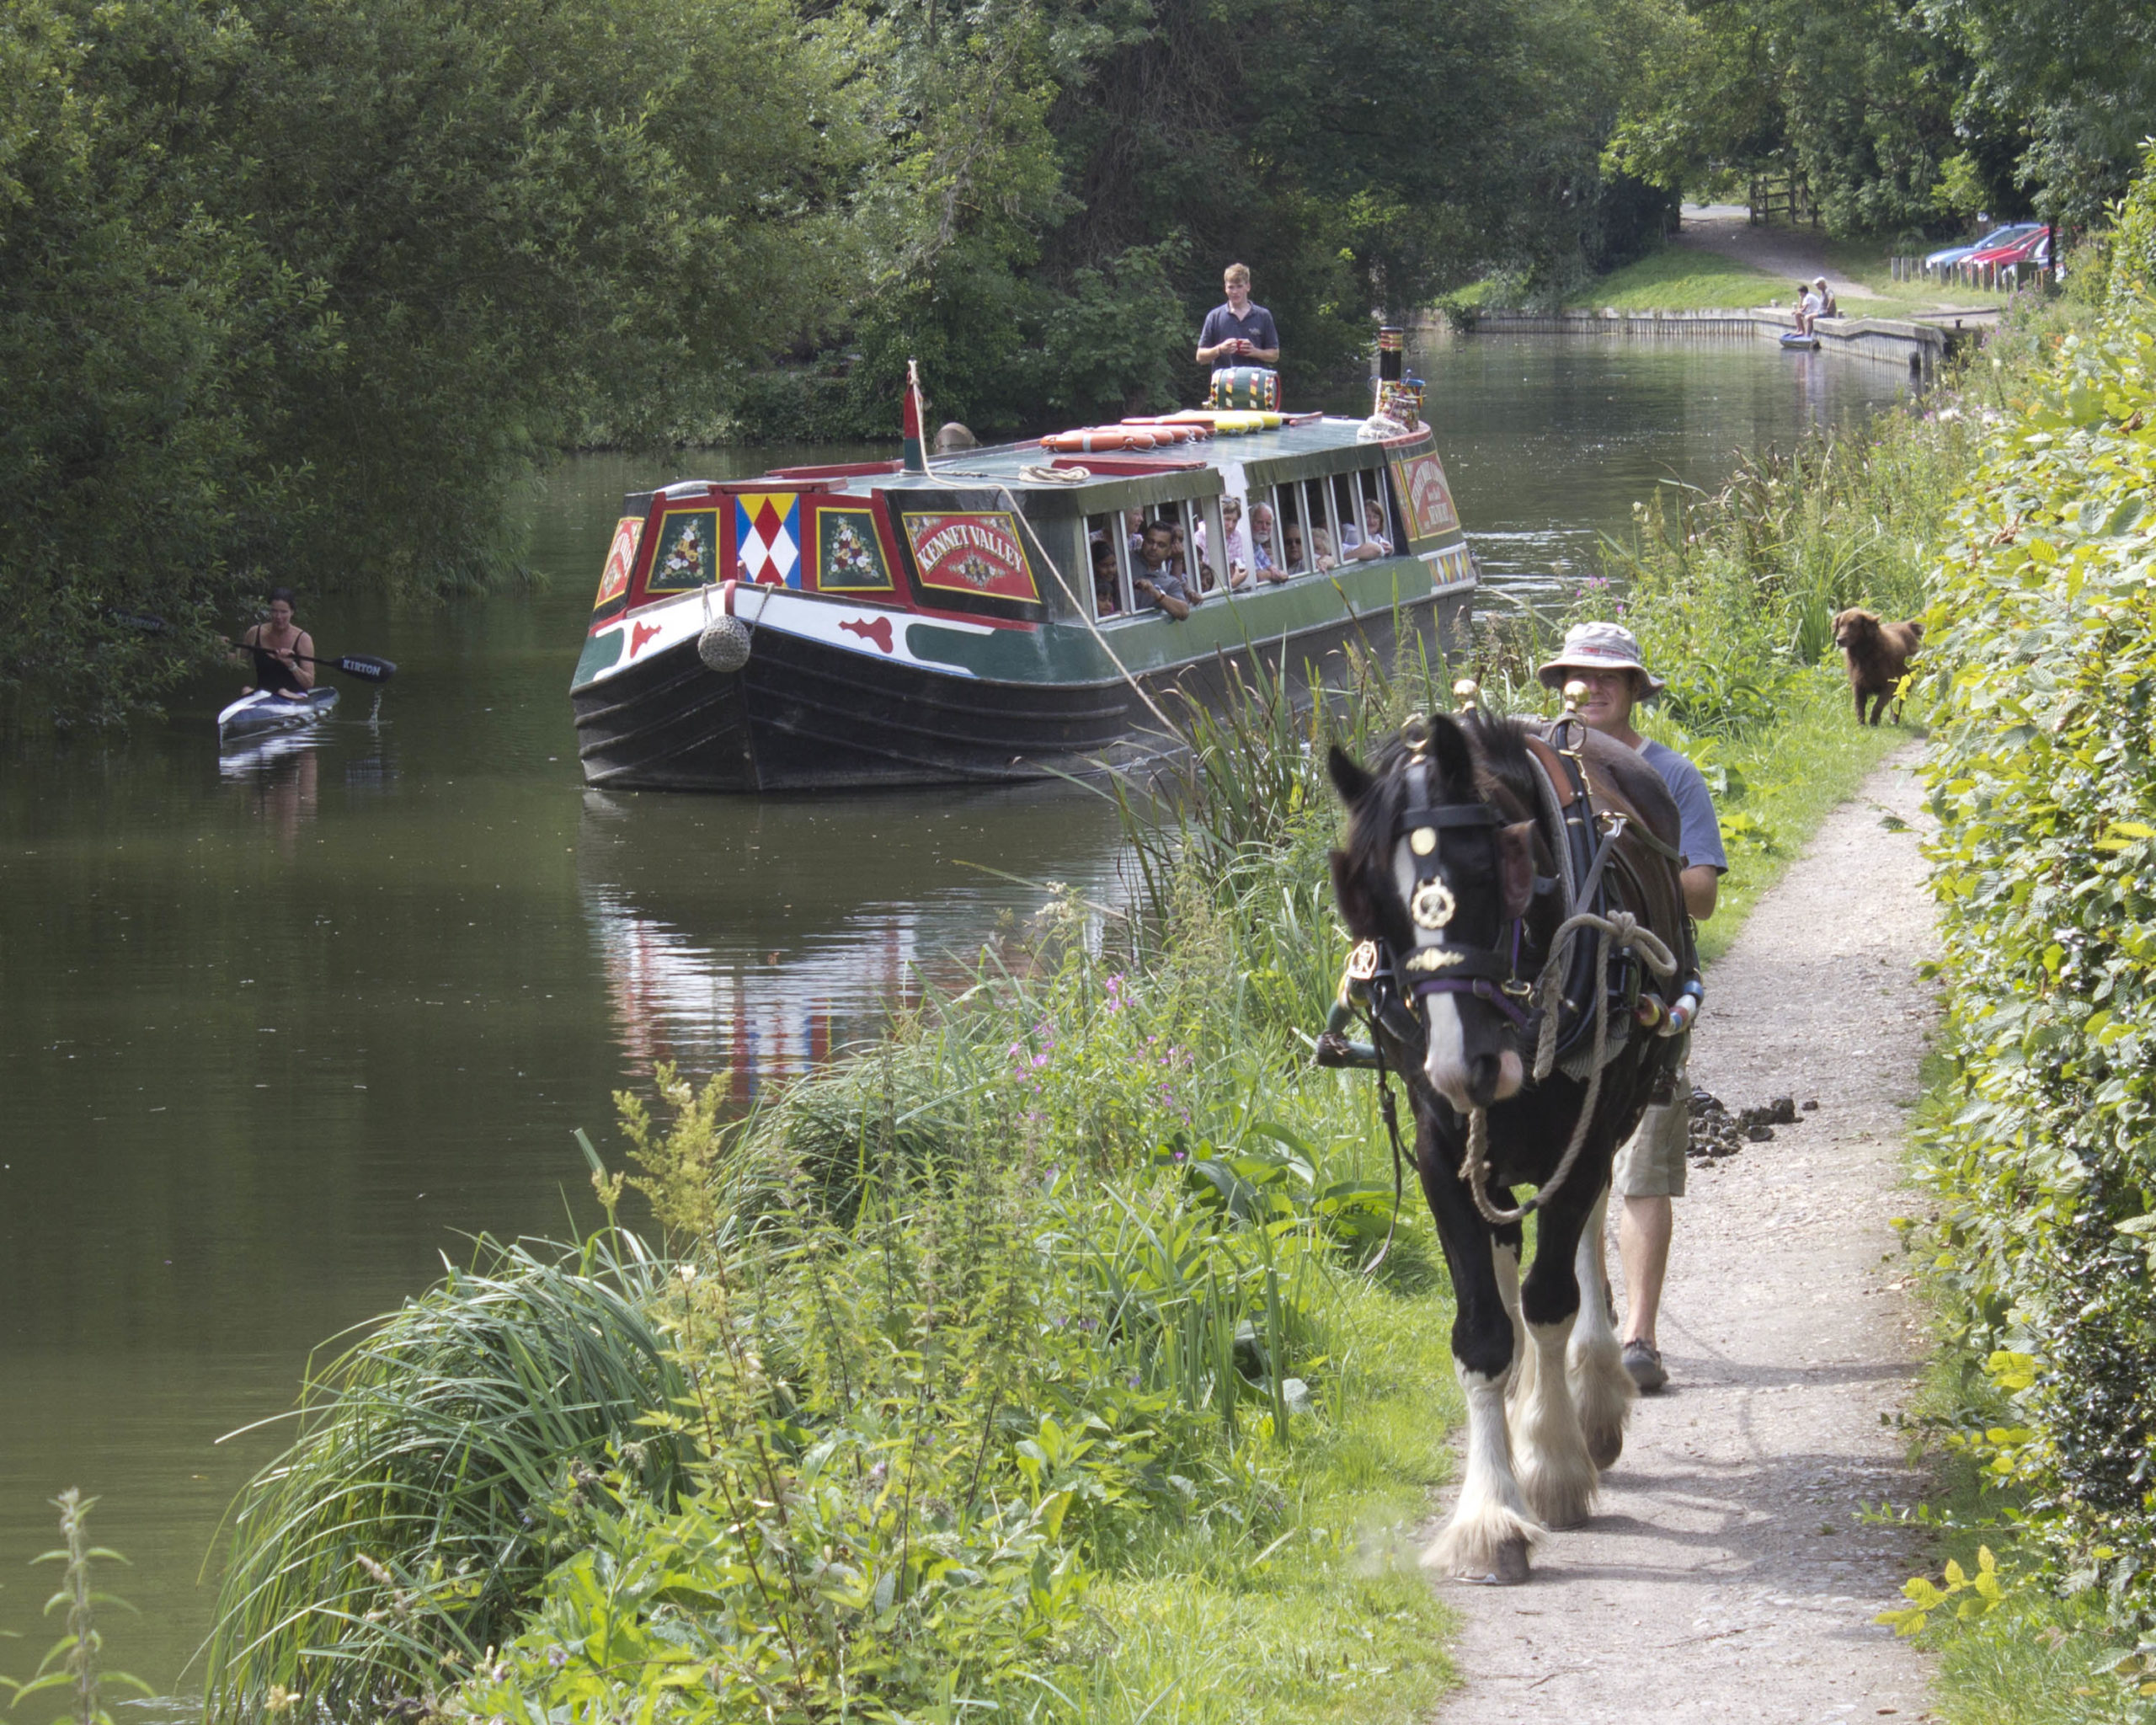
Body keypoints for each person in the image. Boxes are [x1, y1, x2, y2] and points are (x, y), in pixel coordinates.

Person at [1537, 621, 1726, 1394]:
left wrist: (1617, 871)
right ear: (1561, 688)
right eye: (1580, 673)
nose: (1594, 685)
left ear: (1635, 689)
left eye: (1611, 674)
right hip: (1562, 1008)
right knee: (1571, 1170)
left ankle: (1641, 1337)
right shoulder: (1536, 771)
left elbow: (1704, 895)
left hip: (1643, 1001)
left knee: (1644, 1166)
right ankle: (1592, 1312)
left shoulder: (1670, 776)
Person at [1195, 264, 1280, 367]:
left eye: (1239, 286)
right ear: (1225, 288)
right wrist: (1220, 349)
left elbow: (1275, 355)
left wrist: (1255, 351)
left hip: (1254, 380)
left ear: (1248, 287)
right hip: (1224, 381)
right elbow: (1200, 357)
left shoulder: (1263, 316)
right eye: (1231, 287)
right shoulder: (1214, 316)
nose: (1235, 292)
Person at [237, 589, 315, 699]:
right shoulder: (254, 633)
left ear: (292, 612)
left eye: (284, 612)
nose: (278, 617)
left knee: (283, 692)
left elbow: (309, 683)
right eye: (274, 611)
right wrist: (221, 649)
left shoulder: (303, 639)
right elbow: (237, 660)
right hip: (263, 694)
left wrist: (291, 665)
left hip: (293, 695)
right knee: (246, 690)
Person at [1134, 520, 1193, 619]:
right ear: (1143, 541)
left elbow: (1184, 611)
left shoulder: (1170, 582)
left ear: (1169, 551)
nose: (1154, 547)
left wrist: (1156, 593)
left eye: (1161, 545)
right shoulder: (1126, 561)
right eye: (1150, 541)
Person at [1248, 502, 1288, 581]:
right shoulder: (1246, 544)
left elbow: (1267, 568)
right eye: (1259, 522)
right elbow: (1257, 576)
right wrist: (1276, 575)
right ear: (1249, 522)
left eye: (1268, 524)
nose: (1264, 527)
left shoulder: (1257, 546)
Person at [1091, 537, 1121, 617]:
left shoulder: (1120, 587)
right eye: (1104, 566)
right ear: (1093, 566)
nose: (1110, 570)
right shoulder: (1091, 592)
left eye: (1113, 564)